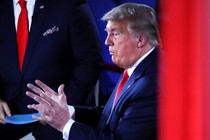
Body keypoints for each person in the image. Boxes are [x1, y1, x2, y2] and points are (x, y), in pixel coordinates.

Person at [26, 3, 160, 140]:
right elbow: (110, 116)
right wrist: (67, 110)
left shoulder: (151, 84)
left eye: (115, 34)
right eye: (107, 33)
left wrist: (65, 124)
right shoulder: (138, 67)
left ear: (140, 40)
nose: (107, 41)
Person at [0, 0, 103, 139]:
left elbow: (90, 62)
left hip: (58, 115)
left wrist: (61, 109)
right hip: (8, 113)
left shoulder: (68, 5)